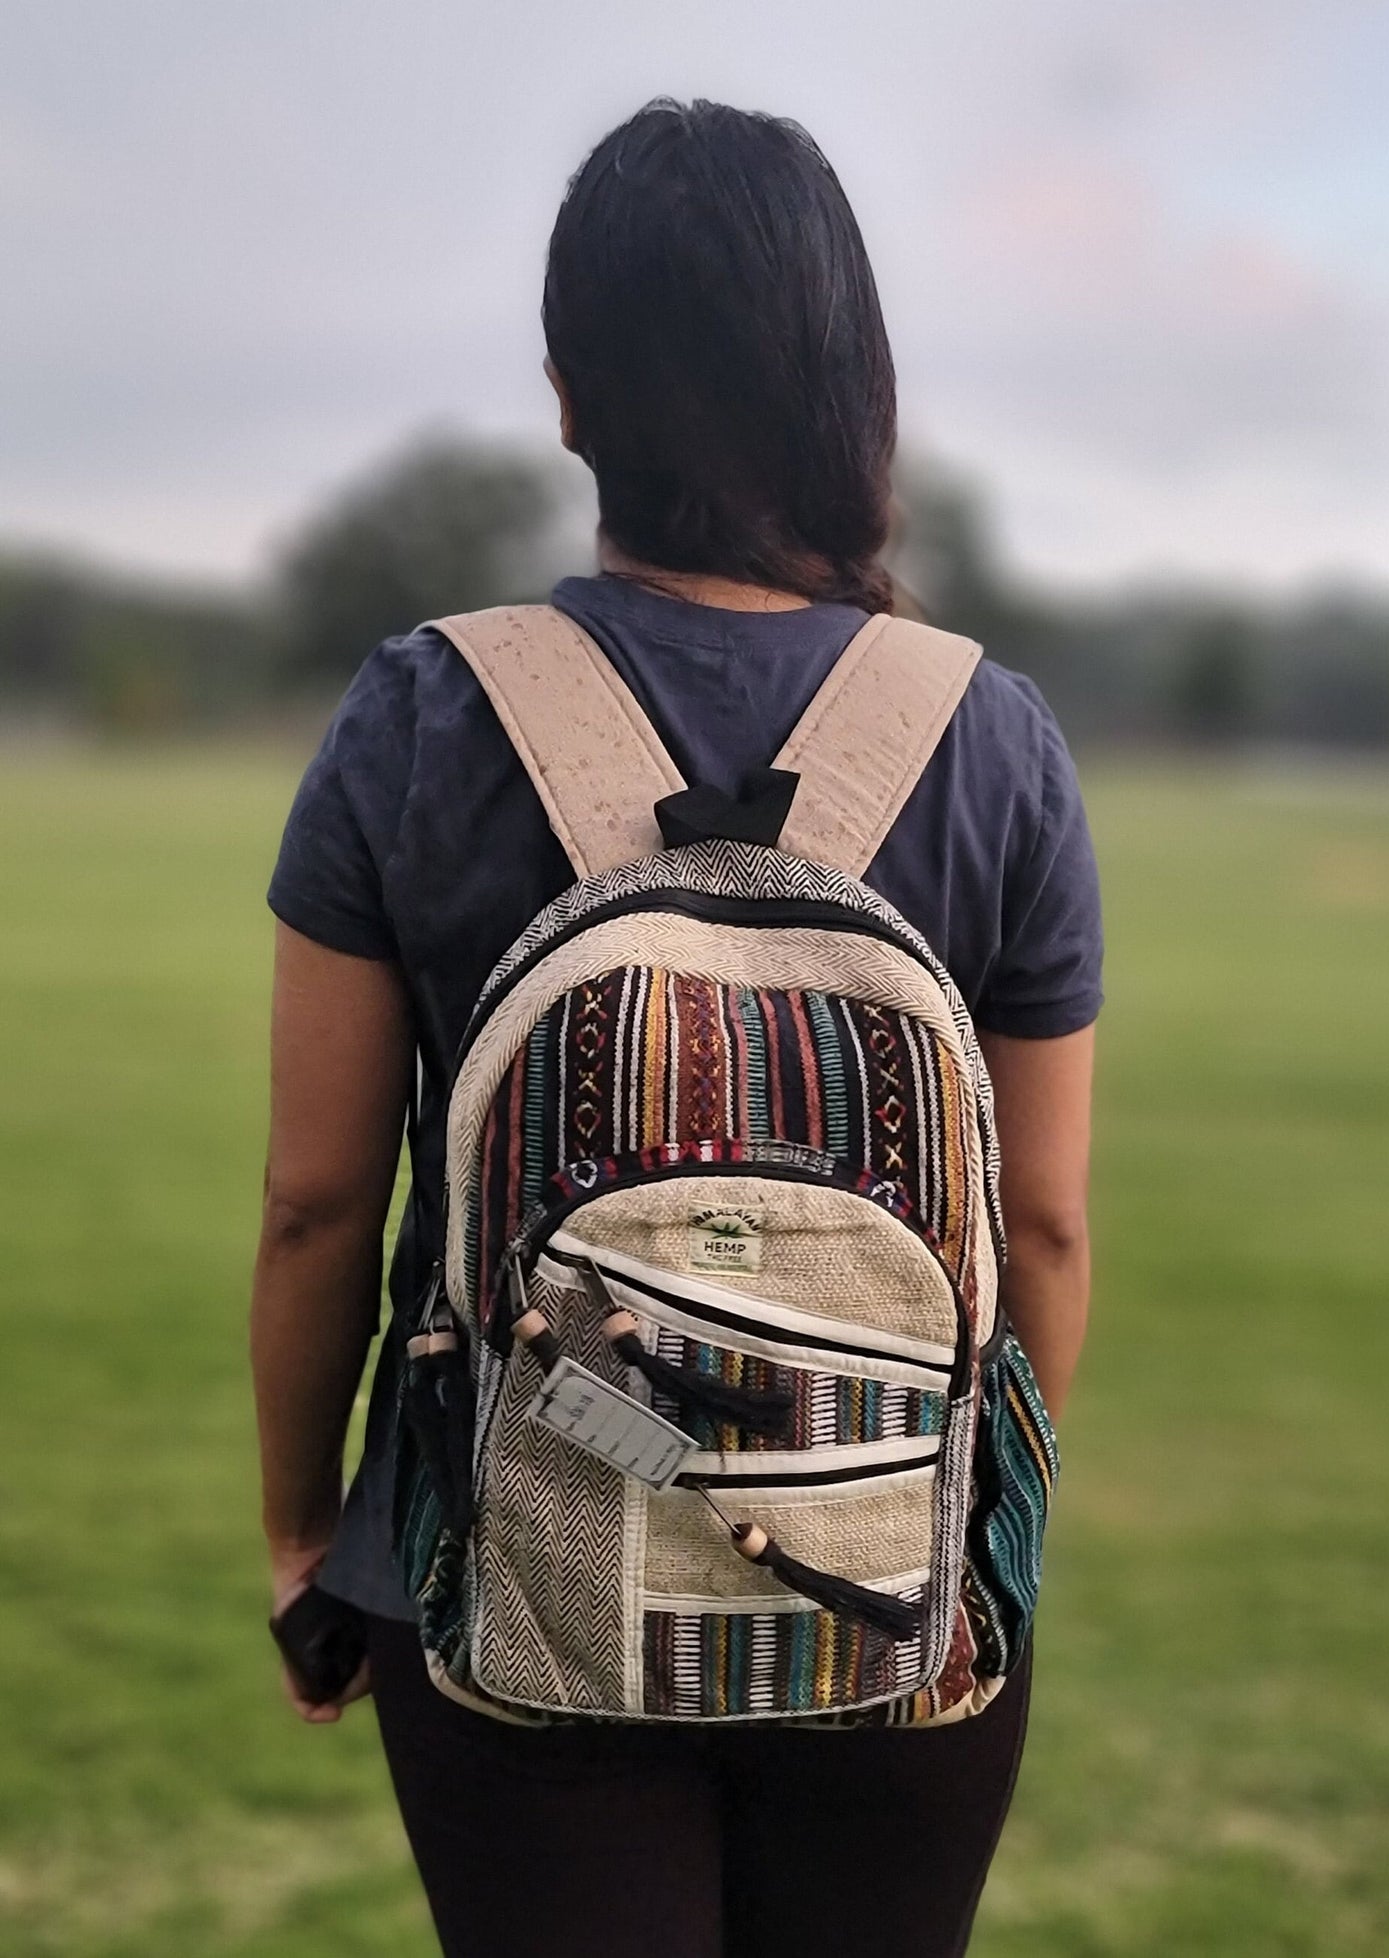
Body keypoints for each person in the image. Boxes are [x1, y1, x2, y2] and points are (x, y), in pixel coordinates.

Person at [252, 97, 1101, 1958]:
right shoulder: (993, 738)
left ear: (570, 395)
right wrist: (972, 1521)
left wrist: (309, 1531)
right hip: (894, 1577)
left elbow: (317, 1205)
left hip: (502, 1539)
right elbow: (1035, 1225)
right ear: (853, 381)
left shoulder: (420, 714)